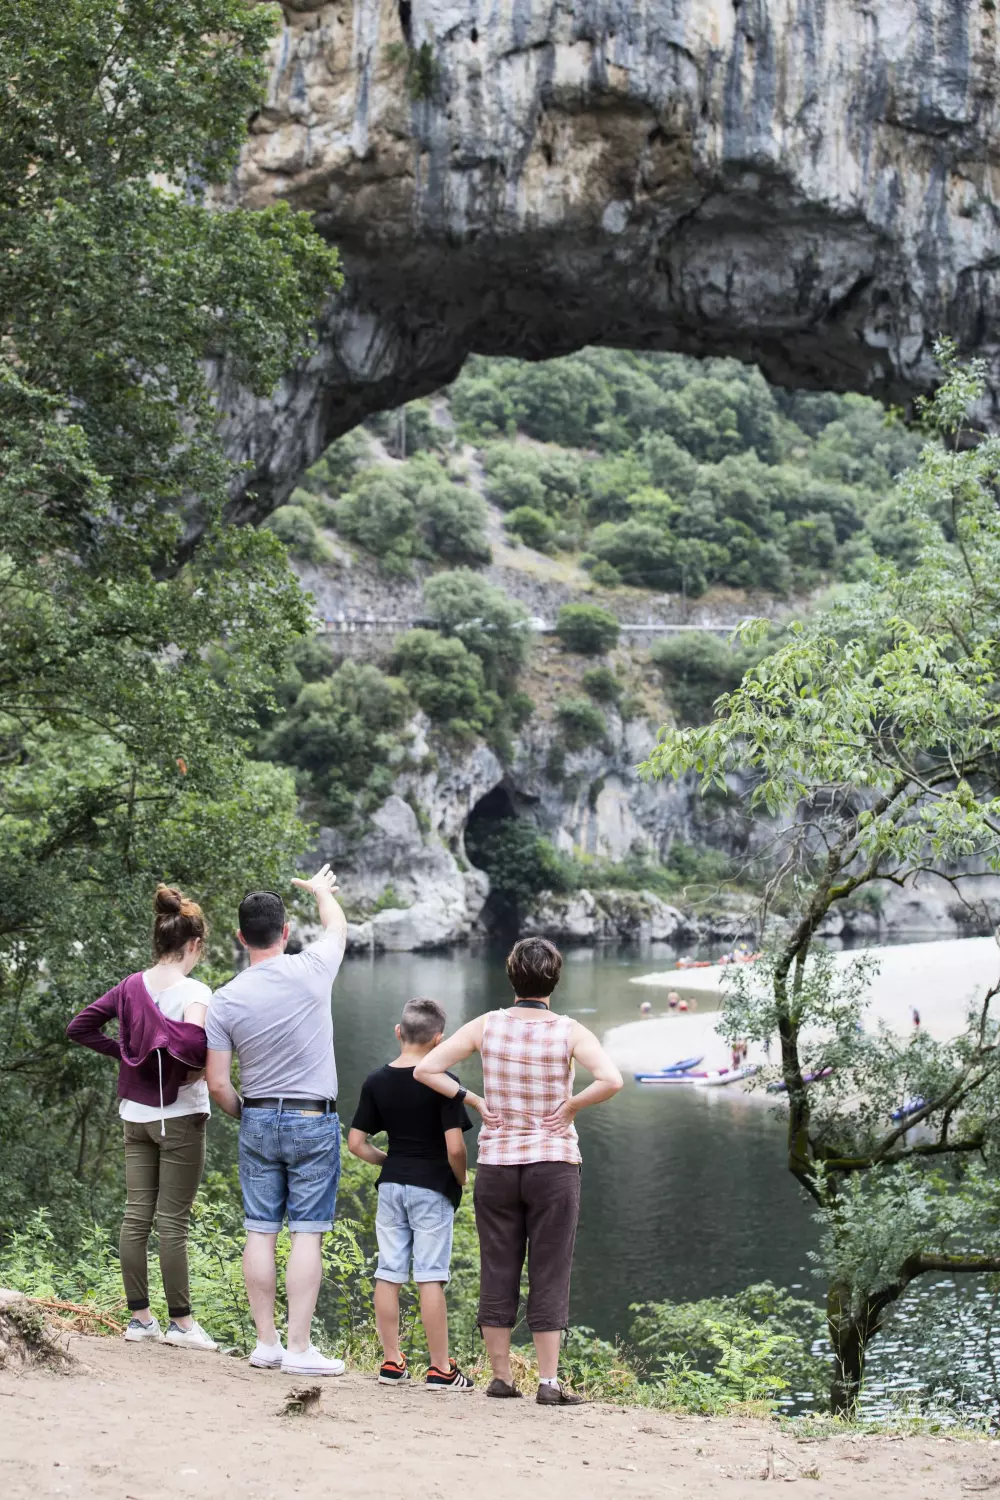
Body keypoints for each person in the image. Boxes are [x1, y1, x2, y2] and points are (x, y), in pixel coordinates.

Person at [415, 936, 623, 1406]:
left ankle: (502, 1378)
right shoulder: (570, 1031)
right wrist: (570, 1105)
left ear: (512, 977)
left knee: (498, 1267)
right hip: (554, 1166)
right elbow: (612, 1080)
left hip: (497, 1166)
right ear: (555, 978)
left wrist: (473, 1099)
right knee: (550, 1270)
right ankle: (548, 1383)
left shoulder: (487, 1026)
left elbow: (425, 1070)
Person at [206, 864, 347, 1377]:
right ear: (285, 932)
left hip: (259, 1117)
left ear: (241, 937)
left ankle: (265, 1343)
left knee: (260, 1231)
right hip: (313, 1118)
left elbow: (218, 1084)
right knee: (307, 1233)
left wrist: (250, 1114)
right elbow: (337, 927)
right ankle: (300, 1349)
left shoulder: (223, 1000)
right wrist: (320, 893)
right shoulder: (313, 968)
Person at [66, 885, 216, 1350]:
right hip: (179, 1117)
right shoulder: (195, 990)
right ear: (193, 945)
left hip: (135, 1116)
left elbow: (80, 1027)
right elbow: (193, 1045)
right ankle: (183, 1325)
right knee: (172, 1222)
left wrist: (126, 1056)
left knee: (136, 1218)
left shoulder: (130, 986)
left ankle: (140, 1321)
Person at [348, 997, 484, 1392]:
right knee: (430, 1276)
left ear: (398, 1032)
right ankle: (441, 1368)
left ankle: (391, 1362)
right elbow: (456, 1149)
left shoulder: (376, 1081)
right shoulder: (444, 1083)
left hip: (392, 1185)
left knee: (388, 1272)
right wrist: (459, 1179)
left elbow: (357, 1143)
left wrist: (390, 1161)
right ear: (439, 1040)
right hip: (432, 1186)